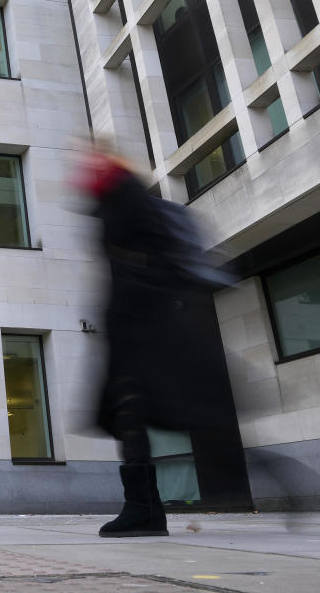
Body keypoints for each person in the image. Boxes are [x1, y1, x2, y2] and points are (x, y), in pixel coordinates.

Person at [74, 150, 232, 538]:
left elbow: (145, 267)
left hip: (140, 331)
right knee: (130, 416)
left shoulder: (125, 204)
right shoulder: (121, 203)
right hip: (138, 329)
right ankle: (144, 509)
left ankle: (144, 510)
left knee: (132, 413)